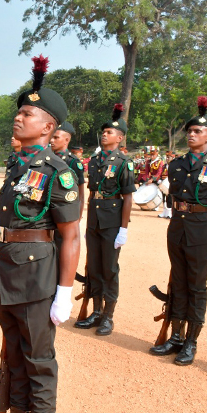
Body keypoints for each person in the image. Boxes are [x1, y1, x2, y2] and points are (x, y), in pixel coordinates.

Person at [0, 56, 80, 413]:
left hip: (37, 278)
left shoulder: (58, 171)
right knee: (15, 360)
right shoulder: (16, 167)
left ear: (48, 126)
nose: (18, 118)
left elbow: (71, 235)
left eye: (27, 113)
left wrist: (64, 292)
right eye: (19, 112)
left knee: (39, 362)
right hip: (8, 273)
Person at [149, 96, 207, 365]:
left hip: (203, 232)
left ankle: (191, 341)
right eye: (190, 131)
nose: (191, 135)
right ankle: (175, 336)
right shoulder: (176, 164)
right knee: (178, 283)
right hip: (178, 229)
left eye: (197, 131)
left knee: (196, 287)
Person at [74, 104, 136, 336]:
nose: (104, 134)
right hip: (95, 222)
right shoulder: (97, 160)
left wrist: (123, 228)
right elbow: (91, 192)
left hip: (111, 222)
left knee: (109, 269)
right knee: (94, 267)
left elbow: (127, 197)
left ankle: (108, 316)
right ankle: (96, 311)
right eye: (104, 132)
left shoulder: (123, 162)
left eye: (109, 132)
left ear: (119, 138)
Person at [50, 121, 85, 219]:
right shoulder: (47, 159)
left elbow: (80, 195)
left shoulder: (73, 162)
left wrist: (77, 218)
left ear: (66, 140)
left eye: (56, 138)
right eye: (51, 137)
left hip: (64, 213)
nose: (52, 140)